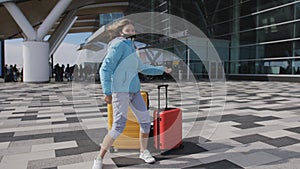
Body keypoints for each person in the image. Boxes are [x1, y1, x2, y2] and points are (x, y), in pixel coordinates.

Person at [92, 18, 172, 169]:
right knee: (118, 127)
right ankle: (99, 158)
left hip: (134, 92)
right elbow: (105, 69)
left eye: (133, 31)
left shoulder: (133, 48)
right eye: (128, 30)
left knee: (145, 122)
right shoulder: (118, 46)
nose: (131, 33)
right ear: (121, 32)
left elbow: (142, 68)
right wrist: (107, 92)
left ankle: (143, 151)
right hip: (120, 92)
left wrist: (162, 69)